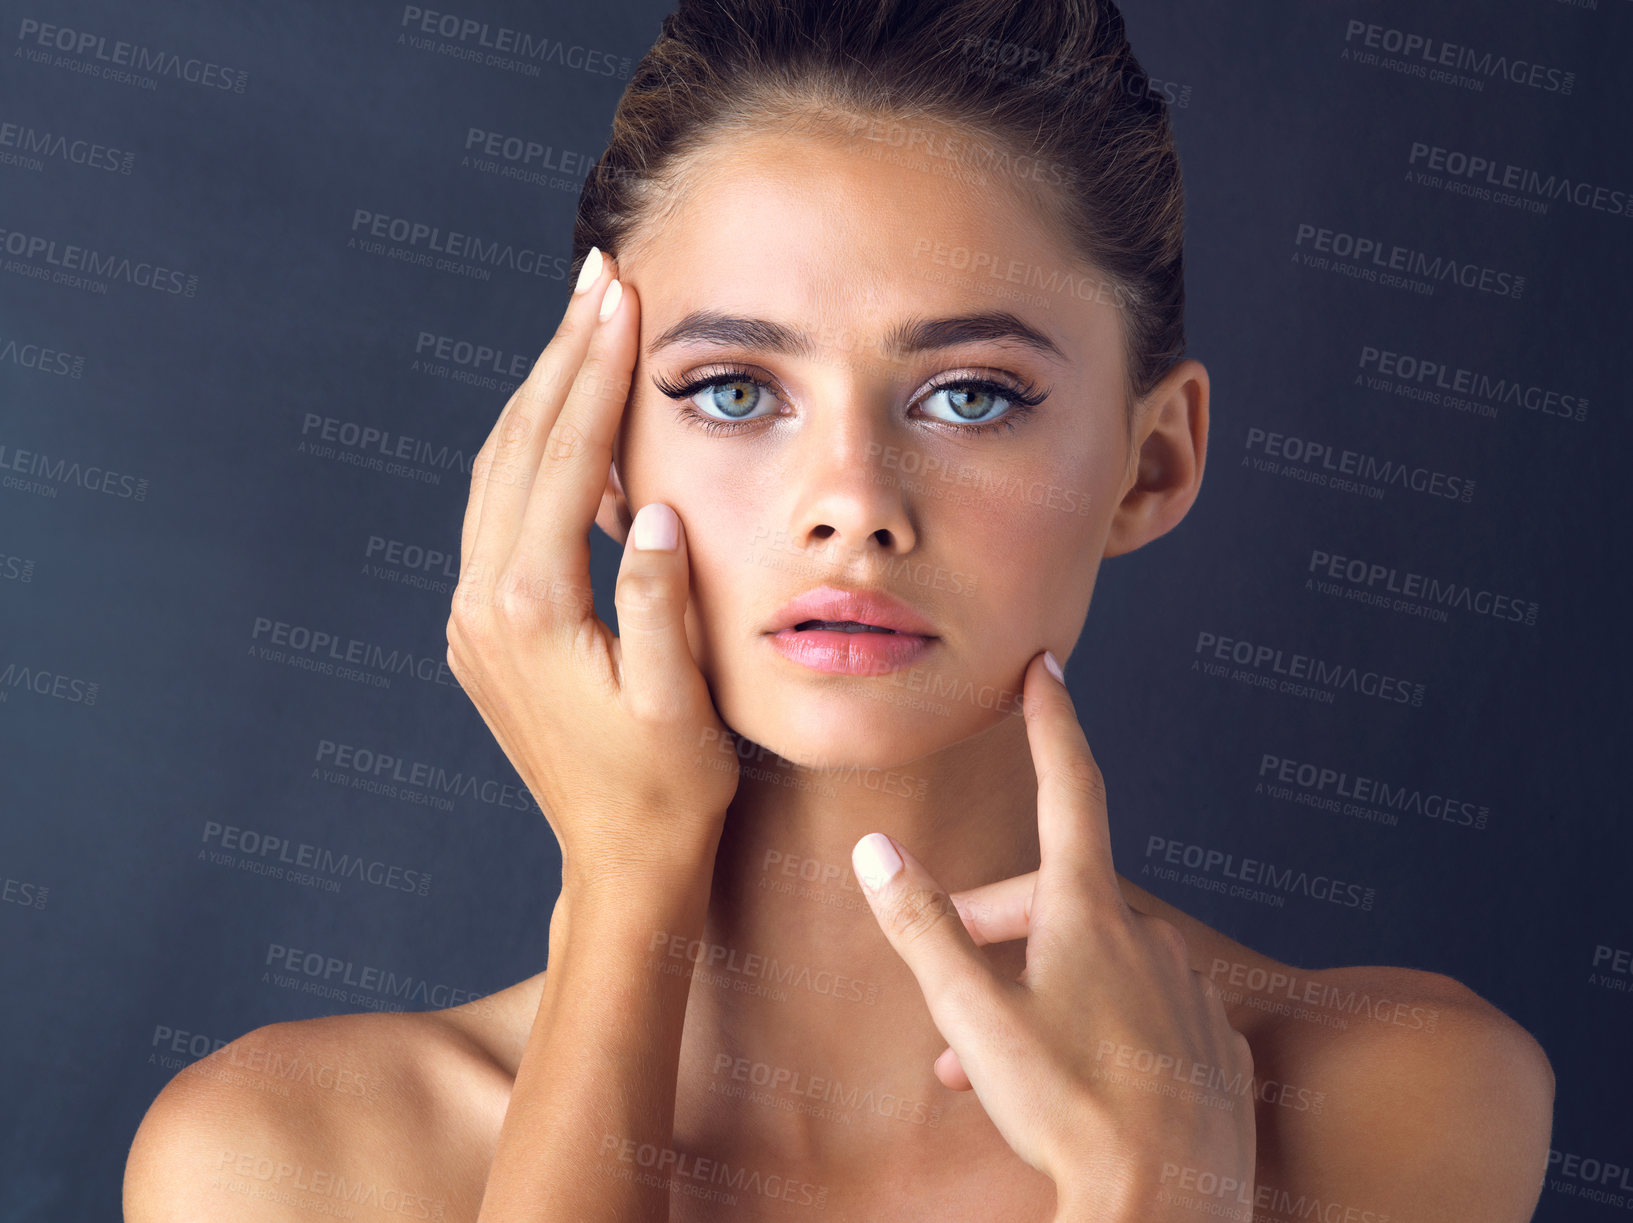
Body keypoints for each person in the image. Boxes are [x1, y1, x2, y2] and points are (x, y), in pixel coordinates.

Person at [124, 1, 1555, 1219]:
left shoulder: (1387, 1101)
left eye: (968, 395)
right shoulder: (287, 1158)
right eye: (733, 392)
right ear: (593, 452)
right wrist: (627, 877)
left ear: (1153, 459)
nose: (851, 501)